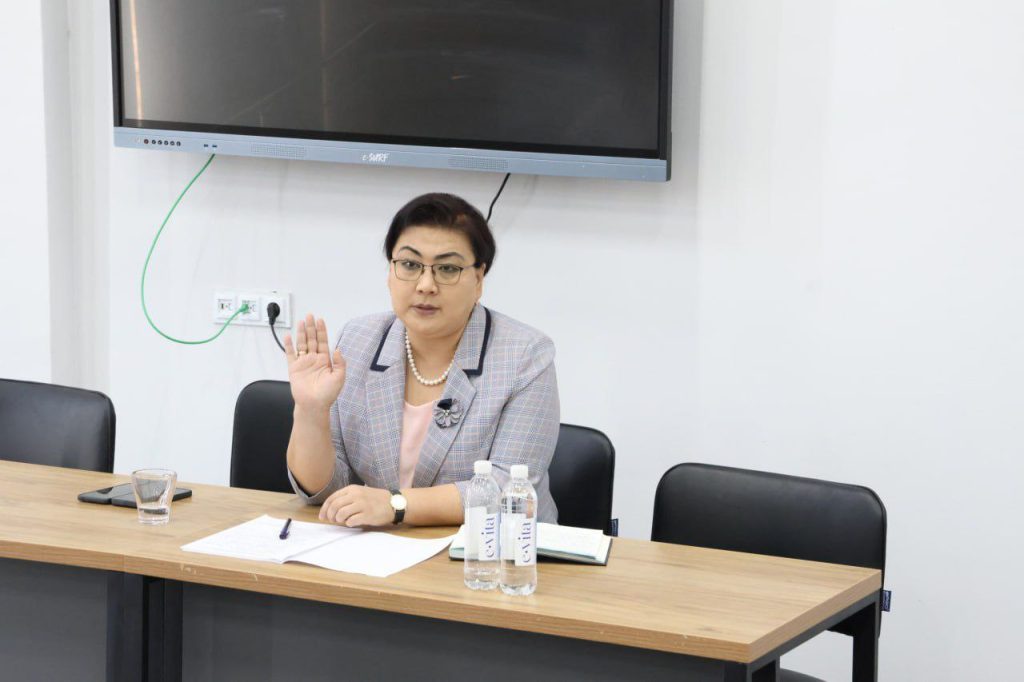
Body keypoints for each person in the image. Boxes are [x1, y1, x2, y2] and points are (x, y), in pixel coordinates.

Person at [284, 193, 559, 527]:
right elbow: (324, 489)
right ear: (390, 272)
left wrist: (395, 505)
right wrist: (310, 411)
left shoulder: (524, 356)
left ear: (478, 279)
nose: (426, 285)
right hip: (380, 547)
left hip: (494, 550)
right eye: (410, 265)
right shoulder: (358, 341)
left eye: (447, 269)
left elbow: (510, 491)